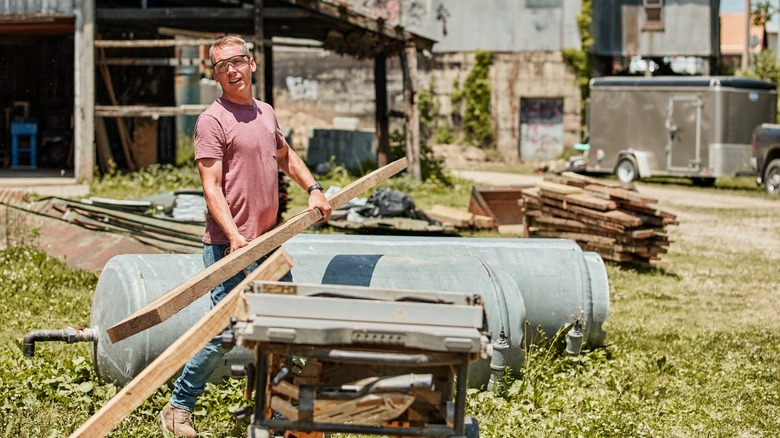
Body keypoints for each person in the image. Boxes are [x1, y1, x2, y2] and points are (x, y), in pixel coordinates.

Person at [159, 34, 332, 437]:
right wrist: (235, 237)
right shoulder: (211, 120)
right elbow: (211, 187)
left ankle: (274, 411)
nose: (231, 70)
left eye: (237, 61)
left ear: (252, 64)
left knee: (283, 326)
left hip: (269, 244)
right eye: (222, 66)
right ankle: (178, 406)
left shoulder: (266, 112)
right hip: (228, 248)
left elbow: (285, 155)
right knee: (224, 333)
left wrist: (314, 188)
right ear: (215, 75)